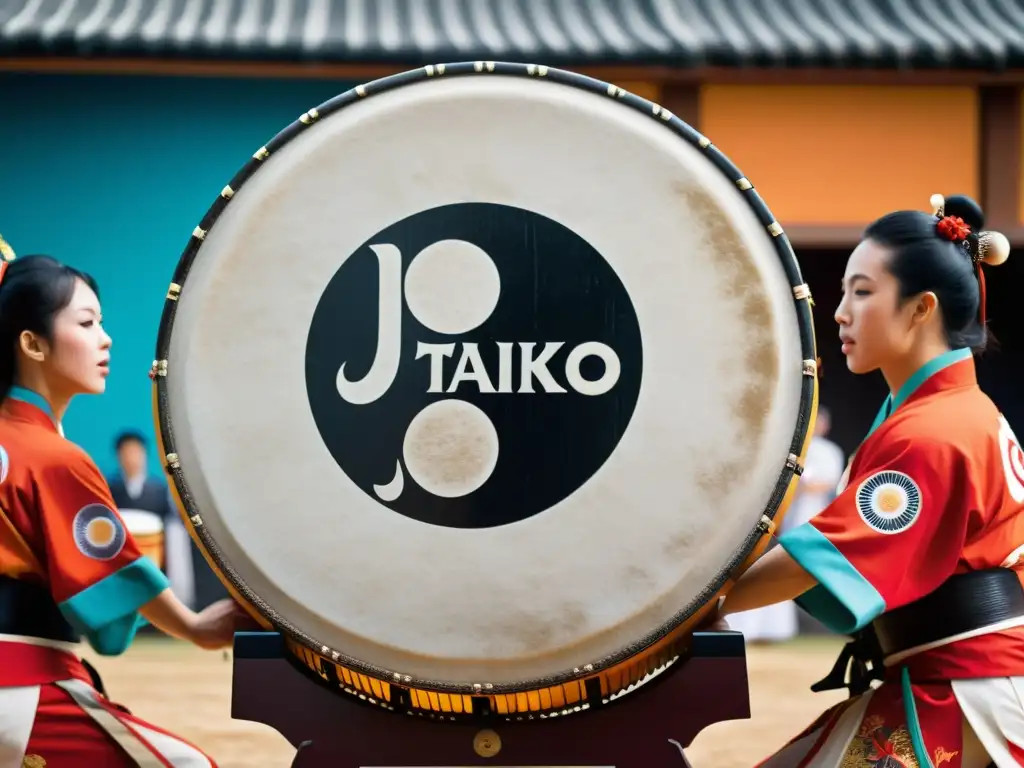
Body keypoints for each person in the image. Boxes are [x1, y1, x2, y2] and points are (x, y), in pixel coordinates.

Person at [709, 193, 1022, 767]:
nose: (840, 312)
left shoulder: (937, 430)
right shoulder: (944, 413)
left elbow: (820, 558)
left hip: (969, 689)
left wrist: (699, 603)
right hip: (949, 675)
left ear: (921, 308)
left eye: (863, 291)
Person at [0, 253, 254, 766]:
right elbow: (111, 570)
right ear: (32, 343)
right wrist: (194, 627)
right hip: (18, 682)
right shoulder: (52, 457)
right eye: (87, 323)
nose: (106, 338)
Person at [728, 408, 847, 644]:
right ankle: (761, 630)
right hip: (785, 520)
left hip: (815, 517)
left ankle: (785, 630)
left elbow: (826, 483)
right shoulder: (794, 448)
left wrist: (801, 486)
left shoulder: (829, 452)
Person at [108, 429, 197, 610]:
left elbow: (173, 531)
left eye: (136, 452)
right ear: (119, 456)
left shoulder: (159, 490)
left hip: (154, 557)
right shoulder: (110, 489)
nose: (131, 458)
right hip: (122, 560)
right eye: (126, 452)